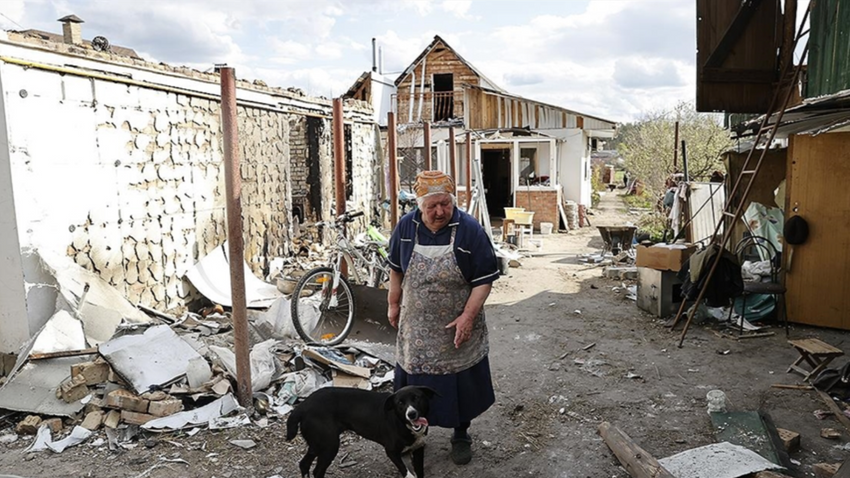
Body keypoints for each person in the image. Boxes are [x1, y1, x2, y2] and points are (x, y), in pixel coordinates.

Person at [387, 170, 499, 466]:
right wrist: (393, 304)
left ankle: (461, 434)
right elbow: (396, 269)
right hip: (417, 329)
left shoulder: (470, 230)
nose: (440, 212)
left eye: (445, 204)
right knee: (412, 388)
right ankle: (410, 435)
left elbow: (484, 280)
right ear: (419, 205)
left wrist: (467, 317)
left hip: (457, 327)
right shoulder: (405, 228)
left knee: (458, 384)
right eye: (432, 206)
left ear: (453, 201)